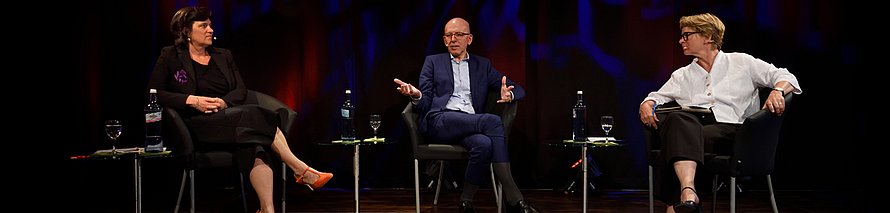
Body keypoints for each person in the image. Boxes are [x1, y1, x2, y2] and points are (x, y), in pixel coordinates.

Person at [147, 7, 332, 213]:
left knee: (255, 147)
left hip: (230, 119)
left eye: (210, 25)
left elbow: (240, 90)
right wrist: (191, 100)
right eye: (203, 26)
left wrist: (224, 102)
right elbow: (154, 93)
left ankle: (267, 209)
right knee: (254, 114)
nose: (210, 29)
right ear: (187, 32)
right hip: (197, 125)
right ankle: (299, 169)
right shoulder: (171, 56)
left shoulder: (223, 55)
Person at [638, 13, 801, 213]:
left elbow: (786, 76)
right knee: (678, 120)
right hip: (698, 131)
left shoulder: (741, 62)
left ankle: (678, 204)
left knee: (673, 141)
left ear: (708, 37)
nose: (681, 40)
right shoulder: (682, 75)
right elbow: (657, 95)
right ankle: (688, 192)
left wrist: (777, 91)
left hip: (738, 134)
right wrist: (647, 103)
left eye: (687, 35)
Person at [394, 17, 539, 213]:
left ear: (469, 39)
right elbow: (425, 102)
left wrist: (510, 94)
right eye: (448, 36)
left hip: (469, 123)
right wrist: (416, 94)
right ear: (445, 40)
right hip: (441, 120)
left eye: (459, 35)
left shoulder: (483, 65)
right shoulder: (433, 62)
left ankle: (465, 202)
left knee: (484, 144)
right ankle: (514, 199)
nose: (453, 39)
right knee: (493, 122)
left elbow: (520, 89)